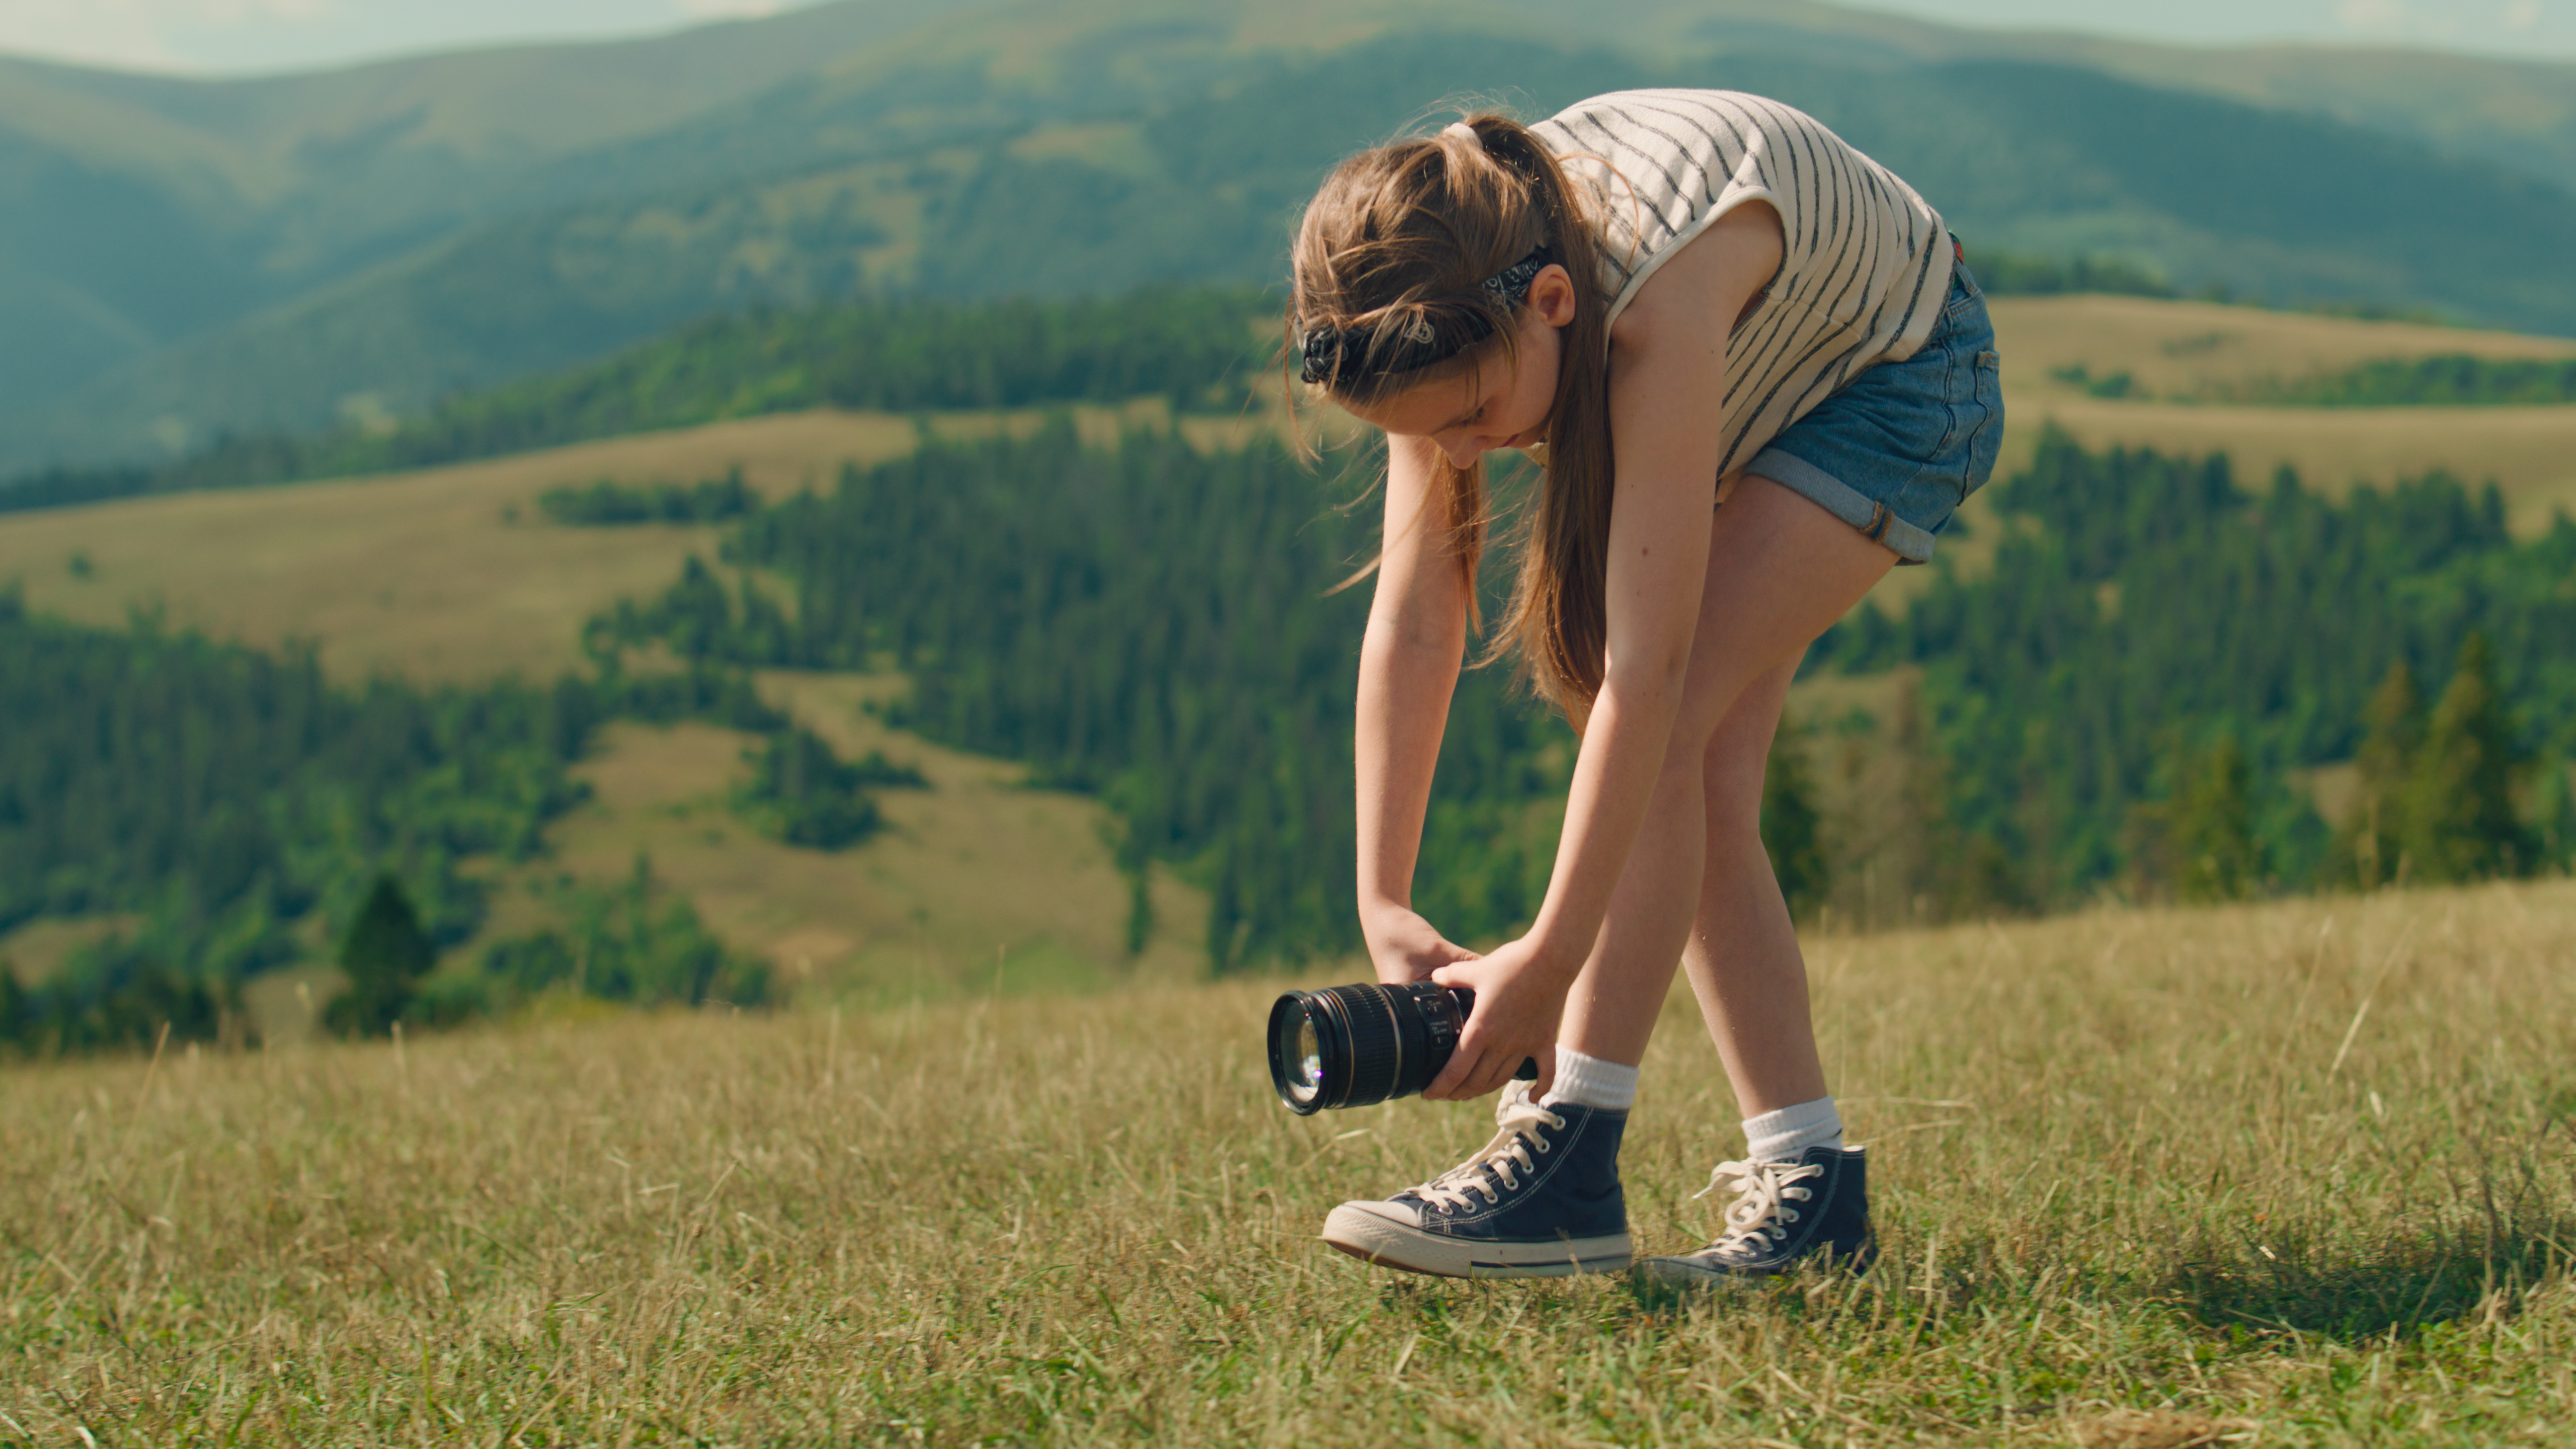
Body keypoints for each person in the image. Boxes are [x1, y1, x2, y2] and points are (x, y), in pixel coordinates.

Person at [1287, 90, 2002, 1281]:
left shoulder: (1652, 293)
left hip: (1894, 379)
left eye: (1468, 420)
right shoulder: (1439, 291)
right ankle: (1813, 1196)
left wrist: (1548, 965)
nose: (1462, 456)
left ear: (1554, 308)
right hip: (1767, 360)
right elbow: (1417, 619)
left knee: (1672, 732)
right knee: (1704, 771)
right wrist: (1384, 902)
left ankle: (1568, 1154)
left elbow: (1645, 675)